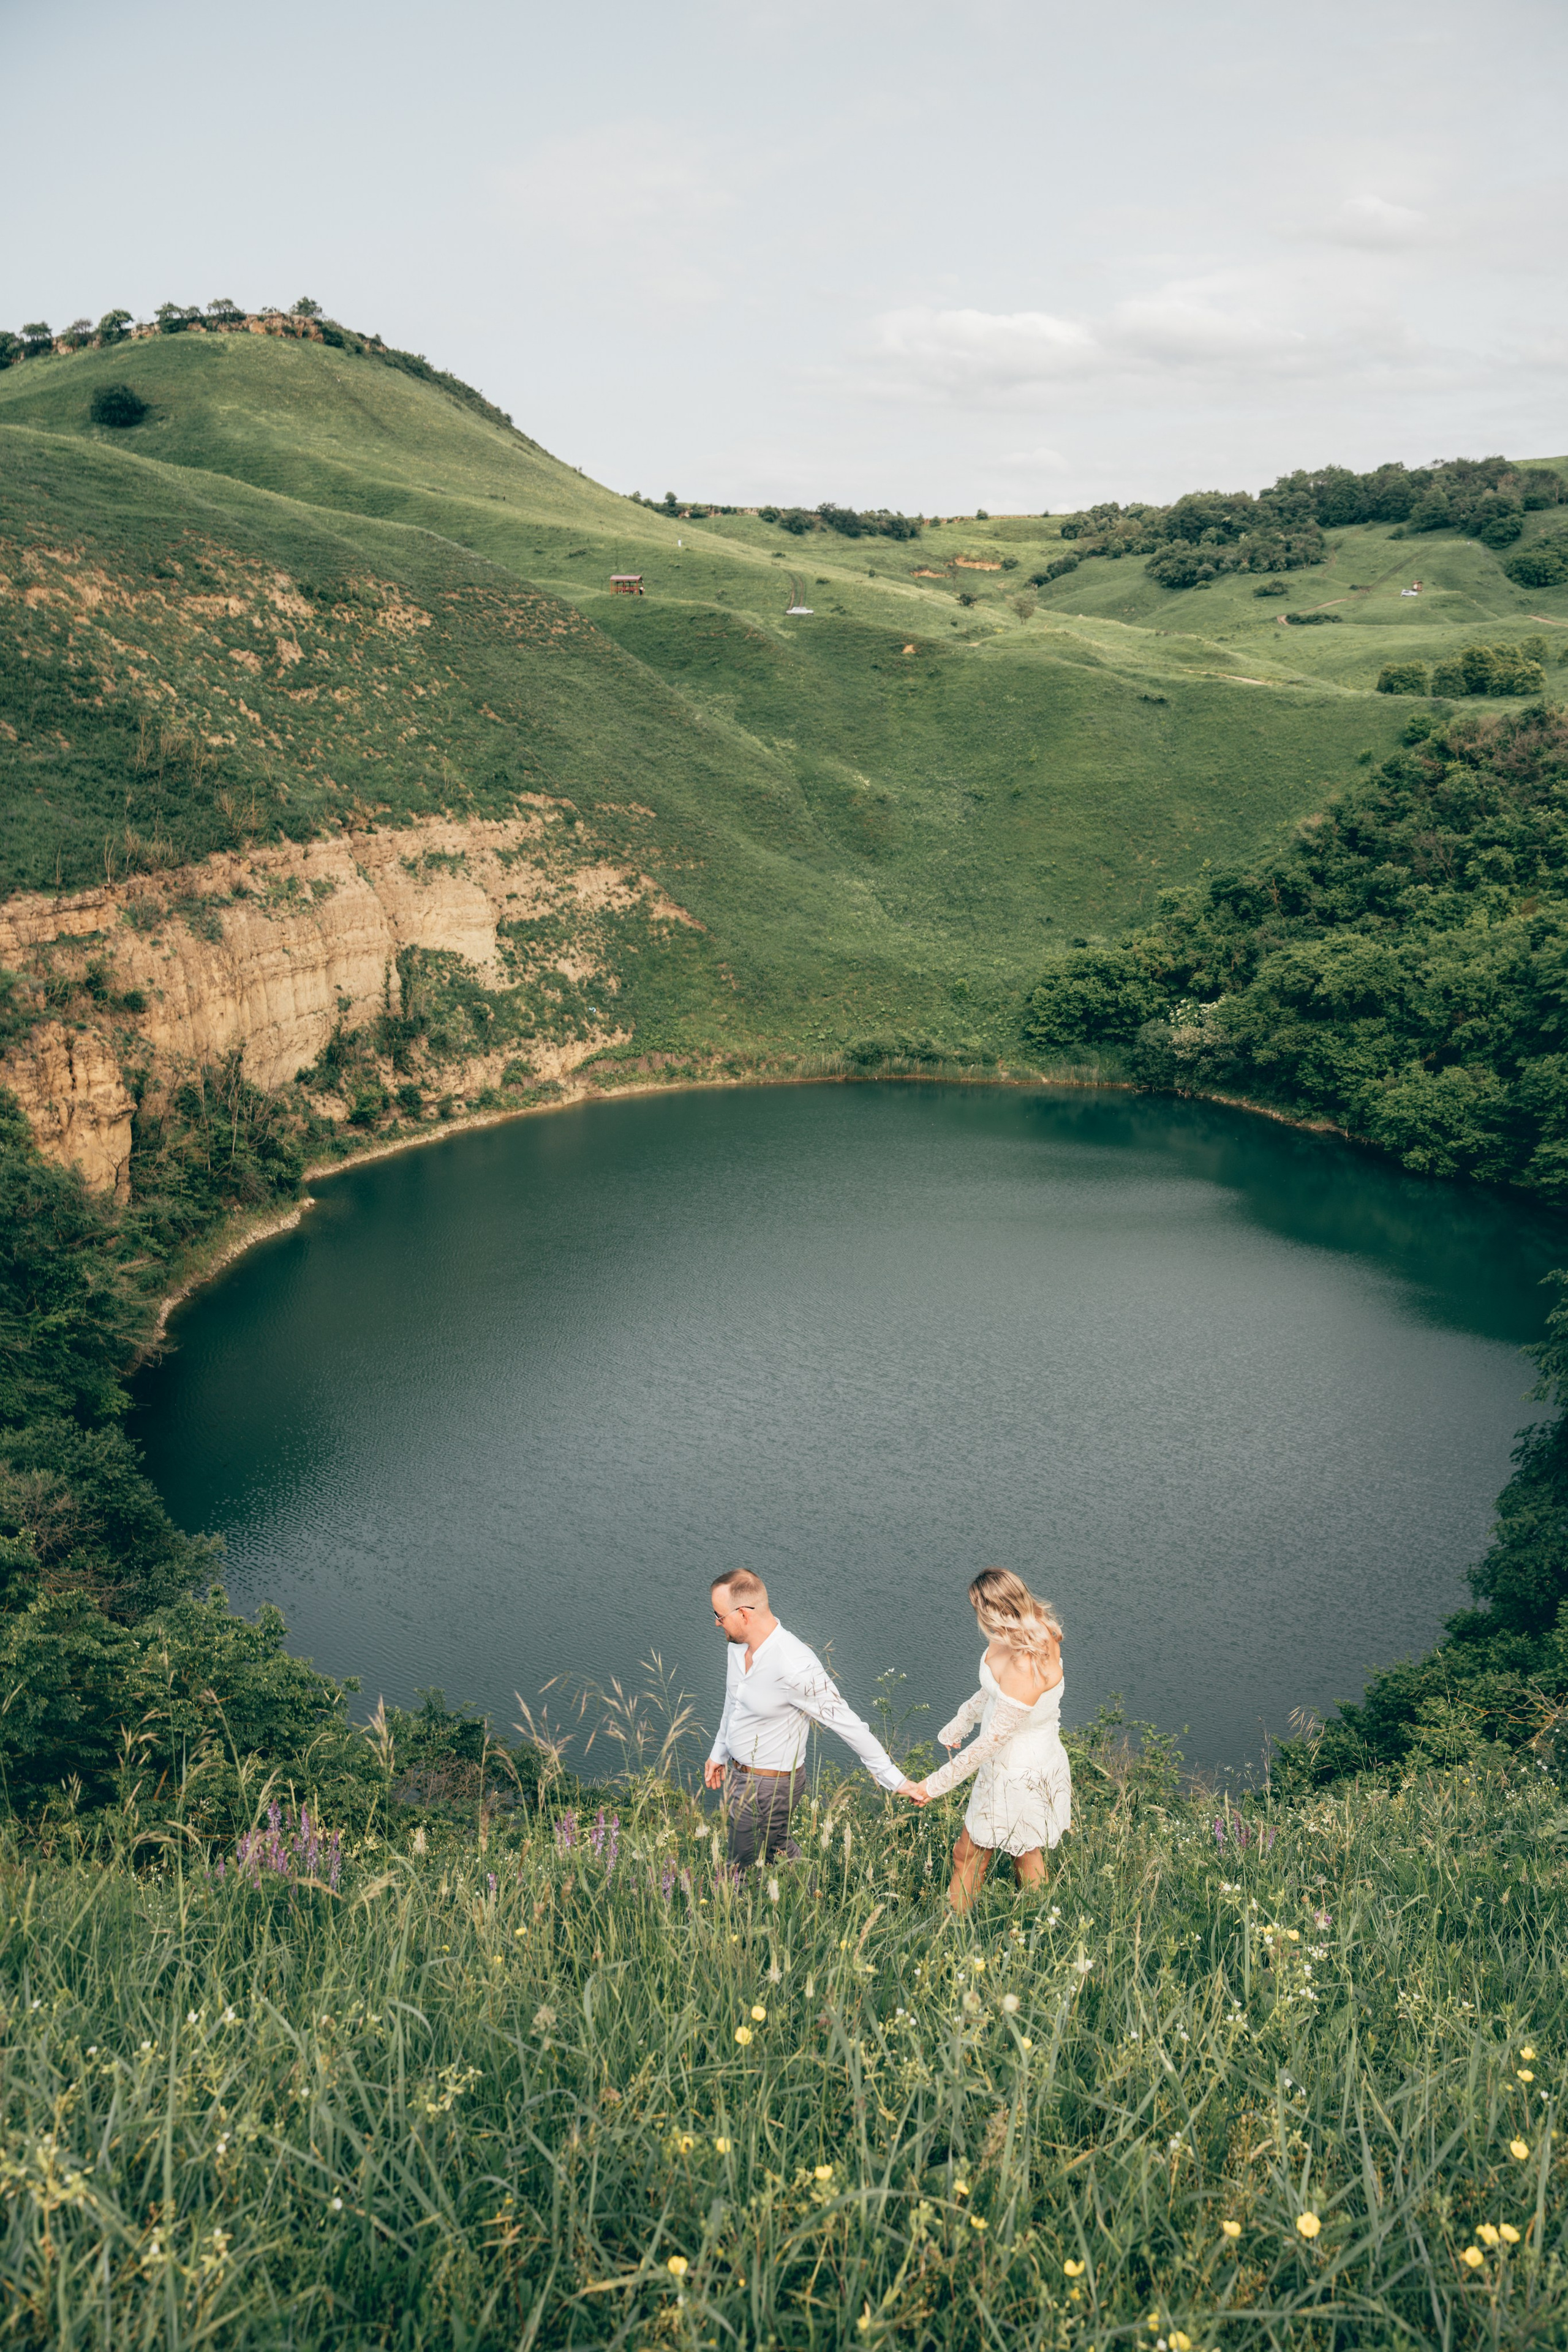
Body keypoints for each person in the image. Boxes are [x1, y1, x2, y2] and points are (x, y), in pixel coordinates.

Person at [704, 1570, 924, 1866]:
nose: (716, 1623)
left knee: (739, 1867)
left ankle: (755, 1904)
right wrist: (720, 1752)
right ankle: (810, 1896)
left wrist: (897, 1781)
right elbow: (734, 1703)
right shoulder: (737, 1648)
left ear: (743, 1614)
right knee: (775, 1850)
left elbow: (846, 1723)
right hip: (739, 1774)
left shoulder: (795, 1665)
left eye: (719, 1616)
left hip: (768, 1785)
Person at [918, 1567, 1071, 1912]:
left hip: (1013, 1773)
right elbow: (995, 1692)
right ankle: (1042, 1928)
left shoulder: (1023, 1661)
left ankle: (951, 1932)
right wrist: (961, 1721)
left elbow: (994, 1741)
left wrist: (934, 1785)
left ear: (990, 1610)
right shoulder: (1034, 1631)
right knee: (1025, 1852)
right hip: (1036, 1762)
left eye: (979, 1608)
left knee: (967, 1856)